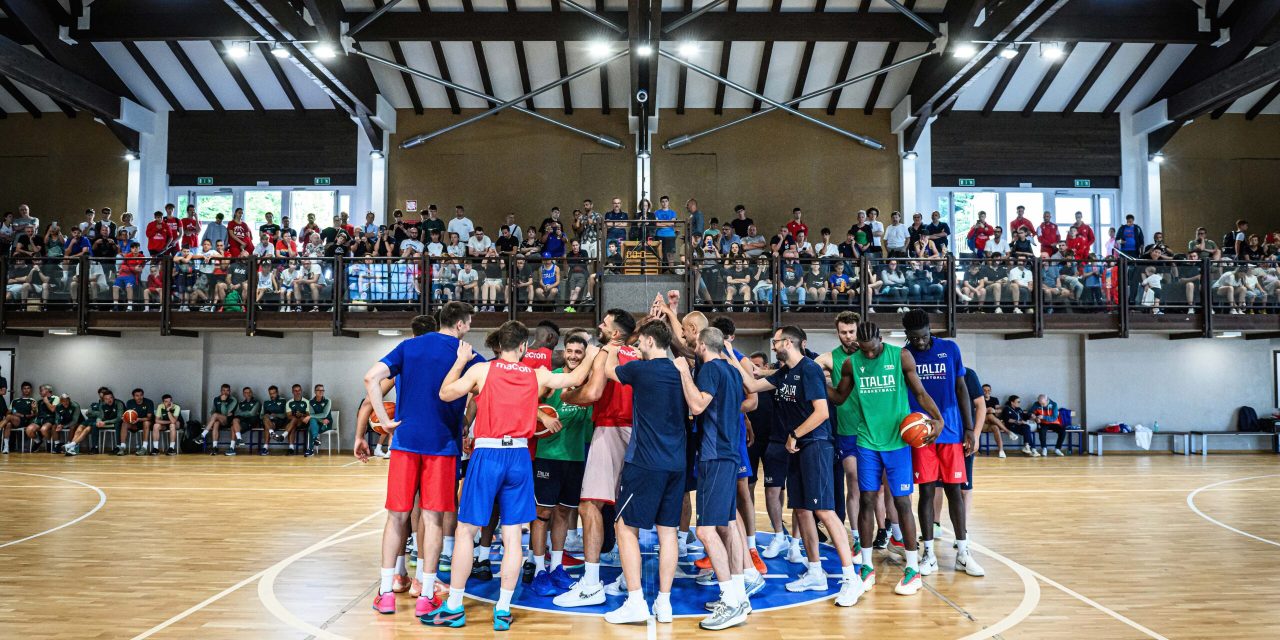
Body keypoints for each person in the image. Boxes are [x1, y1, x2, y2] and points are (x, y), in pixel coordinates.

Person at [426, 321, 598, 630]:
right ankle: (503, 609)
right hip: (519, 455)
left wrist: (461, 360)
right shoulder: (537, 374)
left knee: (467, 531)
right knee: (511, 534)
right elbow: (575, 377)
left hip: (488, 452)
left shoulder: (484, 371)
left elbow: (444, 392)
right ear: (522, 347)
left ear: (500, 346)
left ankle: (454, 606)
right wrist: (594, 352)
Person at [364, 302, 484, 618]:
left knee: (397, 517)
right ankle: (426, 594)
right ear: (461, 324)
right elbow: (489, 385)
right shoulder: (466, 352)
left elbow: (370, 378)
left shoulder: (408, 346)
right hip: (443, 446)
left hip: (405, 442)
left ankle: (386, 593)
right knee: (431, 520)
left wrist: (381, 418)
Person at [739, 326, 863, 606]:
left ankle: (851, 579)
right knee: (803, 510)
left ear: (789, 343)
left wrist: (795, 434)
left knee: (824, 511)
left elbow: (821, 412)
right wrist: (728, 354)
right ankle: (815, 571)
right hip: (795, 448)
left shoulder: (809, 370)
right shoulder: (784, 373)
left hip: (815, 445)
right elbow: (754, 383)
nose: (773, 344)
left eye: (776, 341)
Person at [834, 321, 941, 595]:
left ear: (881, 339)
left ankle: (913, 569)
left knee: (902, 502)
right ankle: (867, 567)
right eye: (864, 350)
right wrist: (817, 381)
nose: (869, 355)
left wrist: (937, 419)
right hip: (867, 440)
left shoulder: (900, 356)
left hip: (897, 443)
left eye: (872, 349)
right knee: (867, 499)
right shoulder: (851, 363)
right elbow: (839, 397)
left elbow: (919, 392)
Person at [598, 320, 688, 626]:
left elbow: (610, 370)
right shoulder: (682, 370)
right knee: (668, 533)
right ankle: (664, 604)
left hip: (645, 463)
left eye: (641, 343)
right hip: (676, 464)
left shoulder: (639, 368)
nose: (638, 347)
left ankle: (636, 601)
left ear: (650, 341)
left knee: (624, 527)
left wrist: (612, 347)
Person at [667, 326, 757, 629]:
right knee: (726, 526)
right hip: (727, 454)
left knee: (706, 531)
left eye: (695, 344)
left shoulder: (709, 370)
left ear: (703, 345)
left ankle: (732, 601)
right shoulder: (732, 372)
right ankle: (738, 592)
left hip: (715, 455)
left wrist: (682, 371)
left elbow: (696, 405)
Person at [553, 309, 640, 609]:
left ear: (615, 333)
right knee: (626, 508)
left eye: (604, 324)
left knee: (590, 505)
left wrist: (566, 396)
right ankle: (630, 579)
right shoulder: (639, 353)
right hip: (638, 433)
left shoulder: (607, 351)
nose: (599, 326)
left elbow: (592, 393)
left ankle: (591, 584)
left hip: (611, 428)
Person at [902, 309, 984, 578]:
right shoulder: (904, 355)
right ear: (907, 336)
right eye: (914, 338)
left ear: (930, 330)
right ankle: (929, 553)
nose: (920, 342)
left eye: (924, 336)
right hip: (921, 435)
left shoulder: (949, 348)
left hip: (951, 432)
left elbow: (961, 388)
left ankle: (963, 551)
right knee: (926, 492)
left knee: (955, 491)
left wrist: (970, 428)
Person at [528, 333, 595, 596]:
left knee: (564, 514)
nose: (574, 356)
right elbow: (527, 401)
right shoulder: (552, 378)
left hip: (576, 457)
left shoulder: (589, 383)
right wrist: (543, 417)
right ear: (564, 351)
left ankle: (556, 567)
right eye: (570, 351)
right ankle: (538, 569)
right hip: (549, 457)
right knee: (541, 514)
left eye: (579, 352)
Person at [814, 312, 864, 554]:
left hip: (877, 429)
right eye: (843, 332)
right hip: (847, 430)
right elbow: (800, 369)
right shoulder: (830, 358)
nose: (848, 336)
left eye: (851, 331)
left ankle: (890, 531)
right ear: (837, 333)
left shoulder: (872, 354)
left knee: (879, 488)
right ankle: (855, 536)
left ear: (858, 330)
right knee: (853, 482)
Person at [194, 384, 238, 454]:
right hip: (219, 420)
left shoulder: (233, 399)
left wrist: (223, 402)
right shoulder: (216, 399)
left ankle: (203, 435)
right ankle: (215, 447)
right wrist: (214, 418)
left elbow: (225, 413)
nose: (225, 392)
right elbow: (212, 411)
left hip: (229, 421)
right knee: (216, 423)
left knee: (215, 416)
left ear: (230, 392)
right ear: (221, 391)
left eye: (227, 391)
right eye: (223, 390)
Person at [118, 387, 157, 456]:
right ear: (133, 396)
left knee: (146, 423)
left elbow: (149, 417)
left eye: (141, 395)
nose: (139, 397)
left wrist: (139, 419)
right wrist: (126, 419)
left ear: (143, 395)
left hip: (145, 423)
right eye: (137, 395)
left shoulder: (149, 402)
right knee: (124, 423)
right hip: (134, 424)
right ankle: (123, 447)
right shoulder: (130, 402)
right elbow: (128, 415)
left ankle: (144, 448)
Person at [306, 384, 333, 457]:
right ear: (315, 391)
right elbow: (312, 414)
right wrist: (320, 420)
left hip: (327, 423)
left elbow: (324, 414)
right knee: (312, 422)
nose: (321, 392)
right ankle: (315, 439)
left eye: (322, 390)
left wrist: (310, 416)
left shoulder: (328, 401)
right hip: (320, 422)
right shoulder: (311, 401)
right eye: (319, 390)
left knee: (311, 425)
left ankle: (310, 450)